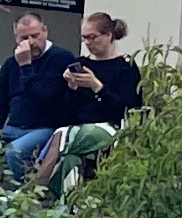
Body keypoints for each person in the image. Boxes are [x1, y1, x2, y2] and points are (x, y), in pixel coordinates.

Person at [0, 14, 81, 189]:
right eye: (24, 37)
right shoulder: (11, 64)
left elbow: (43, 98)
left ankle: (18, 202)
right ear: (16, 38)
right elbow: (0, 103)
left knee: (14, 153)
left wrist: (26, 66)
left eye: (35, 35)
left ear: (45, 31)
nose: (31, 42)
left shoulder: (61, 58)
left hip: (44, 128)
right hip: (11, 128)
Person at [41, 14, 140, 198]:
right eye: (84, 38)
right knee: (70, 159)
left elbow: (128, 108)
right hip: (80, 128)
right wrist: (72, 87)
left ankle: (32, 191)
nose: (88, 42)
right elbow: (67, 113)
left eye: (92, 37)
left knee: (63, 135)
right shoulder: (83, 64)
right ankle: (69, 207)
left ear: (109, 35)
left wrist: (97, 86)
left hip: (111, 128)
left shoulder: (125, 67)